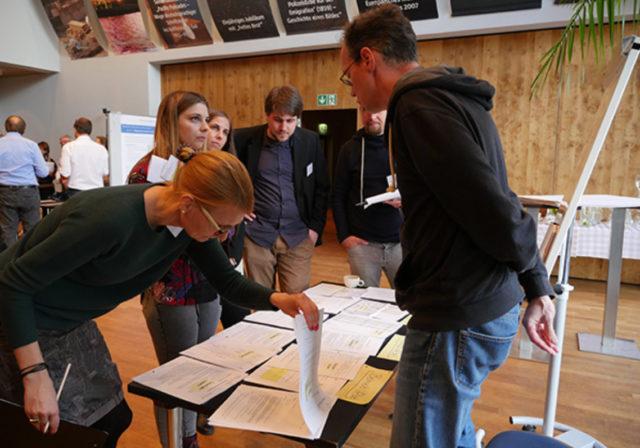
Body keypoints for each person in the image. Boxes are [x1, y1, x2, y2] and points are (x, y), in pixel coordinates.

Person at [0, 139, 319, 448]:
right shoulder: (108, 220)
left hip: (67, 319)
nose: (221, 237)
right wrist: (33, 374)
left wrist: (279, 299)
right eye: (221, 228)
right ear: (188, 204)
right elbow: (13, 283)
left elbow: (227, 281)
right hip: (18, 316)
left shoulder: (187, 224)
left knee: (112, 417)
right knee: (62, 428)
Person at [340, 5, 558, 447]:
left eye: (348, 76)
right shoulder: (451, 95)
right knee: (453, 430)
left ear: (368, 59)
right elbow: (496, 194)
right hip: (482, 303)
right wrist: (535, 283)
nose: (352, 92)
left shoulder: (417, 104)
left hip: (456, 313)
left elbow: (492, 205)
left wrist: (539, 285)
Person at [235, 85, 330, 293]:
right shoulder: (241, 139)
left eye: (290, 121)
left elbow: (322, 187)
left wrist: (315, 229)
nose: (283, 127)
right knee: (261, 300)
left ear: (298, 119)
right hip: (257, 234)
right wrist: (238, 209)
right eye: (278, 119)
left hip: (298, 235)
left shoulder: (310, 141)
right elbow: (227, 180)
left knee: (296, 300)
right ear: (267, 115)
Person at [332, 104, 403, 288]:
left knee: (408, 304)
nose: (371, 117)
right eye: (365, 110)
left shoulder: (403, 144)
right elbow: (338, 195)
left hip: (400, 244)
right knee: (364, 304)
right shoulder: (350, 149)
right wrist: (344, 236)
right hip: (362, 245)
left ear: (388, 112)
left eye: (376, 111)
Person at [207, 110, 253, 330]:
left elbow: (240, 221)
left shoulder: (232, 167)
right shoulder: (188, 167)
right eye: (215, 128)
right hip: (201, 263)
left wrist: (233, 257)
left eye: (225, 132)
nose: (219, 136)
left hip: (230, 259)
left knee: (241, 322)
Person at [0, 116, 49, 249]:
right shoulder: (31, 145)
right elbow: (43, 172)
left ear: (6, 127)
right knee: (32, 230)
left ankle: (8, 264)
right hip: (28, 191)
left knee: (8, 231)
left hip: (4, 191)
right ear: (24, 129)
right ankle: (29, 262)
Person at [58, 118, 109, 197]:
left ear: (75, 130)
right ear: (90, 130)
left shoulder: (68, 147)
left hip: (75, 191)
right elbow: (105, 172)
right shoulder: (101, 149)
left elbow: (65, 173)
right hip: (97, 190)